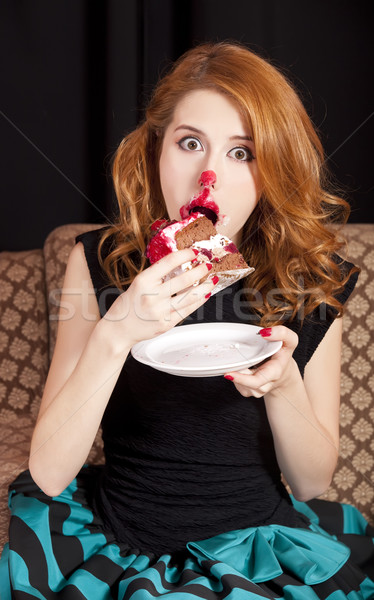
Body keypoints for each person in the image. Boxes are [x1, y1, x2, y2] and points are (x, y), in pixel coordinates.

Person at [0, 41, 373, 599]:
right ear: (156, 150)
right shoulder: (103, 261)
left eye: (242, 152)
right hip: (115, 541)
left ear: (273, 167)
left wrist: (283, 382)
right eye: (190, 143)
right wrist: (116, 329)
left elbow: (312, 482)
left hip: (257, 552)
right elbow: (51, 474)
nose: (209, 174)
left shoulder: (312, 279)